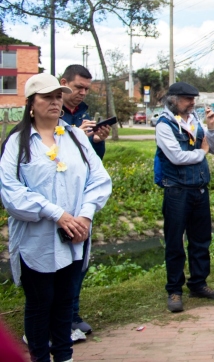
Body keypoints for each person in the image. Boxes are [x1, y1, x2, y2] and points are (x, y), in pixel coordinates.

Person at [0, 73, 112, 362]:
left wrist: (85, 216)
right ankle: (40, 357)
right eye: (47, 97)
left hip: (74, 236)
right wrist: (57, 214)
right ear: (31, 103)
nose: (54, 101)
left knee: (65, 303)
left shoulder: (74, 137)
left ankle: (64, 356)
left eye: (58, 96)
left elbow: (98, 179)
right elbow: (12, 193)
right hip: (37, 240)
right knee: (40, 304)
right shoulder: (17, 142)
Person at [155, 82, 214, 313]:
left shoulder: (195, 121)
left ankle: (198, 284)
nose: (192, 102)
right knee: (175, 242)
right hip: (176, 190)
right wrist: (201, 152)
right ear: (173, 99)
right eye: (186, 98)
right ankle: (174, 289)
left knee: (201, 240)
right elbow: (176, 157)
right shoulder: (164, 125)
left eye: (193, 98)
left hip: (199, 189)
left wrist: (212, 128)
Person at [59, 64, 111, 337]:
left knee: (79, 260)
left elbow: (93, 161)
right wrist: (76, 133)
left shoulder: (83, 113)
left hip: (81, 198)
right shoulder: (50, 113)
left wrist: (98, 140)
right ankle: (53, 319)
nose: (81, 93)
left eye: (86, 89)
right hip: (56, 198)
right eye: (78, 87)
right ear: (63, 82)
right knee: (56, 263)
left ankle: (72, 314)